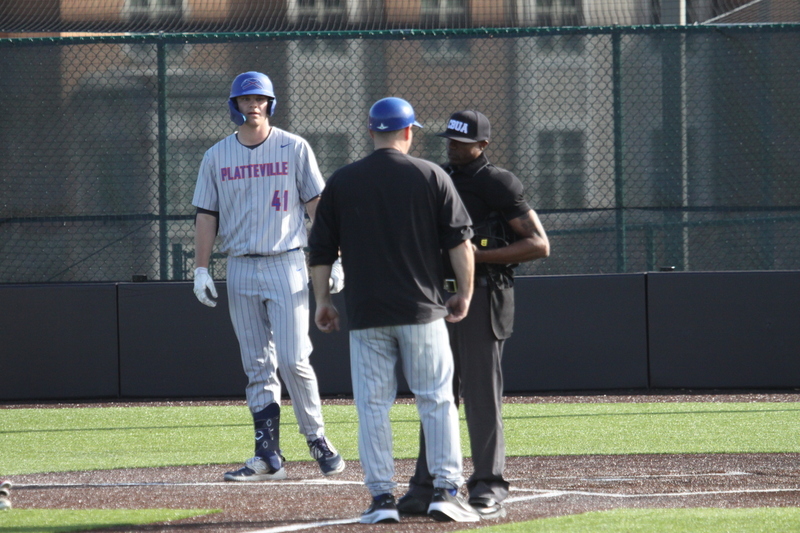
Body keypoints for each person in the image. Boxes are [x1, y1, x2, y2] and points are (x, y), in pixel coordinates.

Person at [307, 97, 480, 524]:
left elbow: (320, 252)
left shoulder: (343, 180)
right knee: (436, 400)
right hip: (422, 311)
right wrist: (464, 294)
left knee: (372, 406)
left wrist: (323, 301)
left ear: (372, 131)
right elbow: (460, 244)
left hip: (367, 313)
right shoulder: (431, 174)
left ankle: (382, 498)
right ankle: (446, 491)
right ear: (408, 132)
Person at [191, 71, 345, 482]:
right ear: (235, 105)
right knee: (257, 365)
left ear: (270, 103)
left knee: (294, 359)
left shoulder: (294, 147)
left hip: (286, 262)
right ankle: (267, 456)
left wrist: (335, 259)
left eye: (260, 98)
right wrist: (201, 268)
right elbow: (206, 214)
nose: (253, 105)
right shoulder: (216, 155)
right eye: (246, 99)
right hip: (240, 265)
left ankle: (316, 438)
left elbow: (318, 209)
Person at [397, 110, 550, 519]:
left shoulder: (498, 182)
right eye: (450, 139)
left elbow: (539, 244)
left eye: (462, 141)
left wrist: (471, 258)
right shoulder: (438, 177)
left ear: (483, 145)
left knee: (481, 395)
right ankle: (425, 485)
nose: (452, 145)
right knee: (436, 393)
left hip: (484, 294)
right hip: (437, 297)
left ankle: (488, 485)